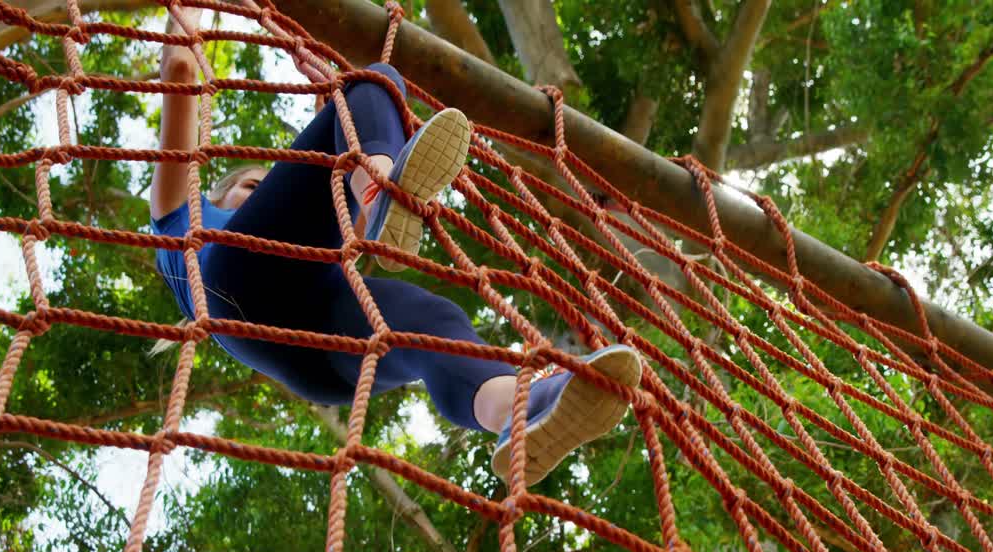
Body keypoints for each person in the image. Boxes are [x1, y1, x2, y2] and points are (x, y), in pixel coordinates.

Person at [149, 9, 642, 485]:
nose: (261, 190)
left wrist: (322, 83)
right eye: (250, 187)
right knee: (372, 82)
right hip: (241, 283)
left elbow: (335, 142)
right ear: (217, 193)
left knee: (435, 326)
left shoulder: (320, 232)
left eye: (265, 185)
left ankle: (516, 411)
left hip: (324, 347)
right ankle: (378, 185)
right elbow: (180, 68)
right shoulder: (179, 216)